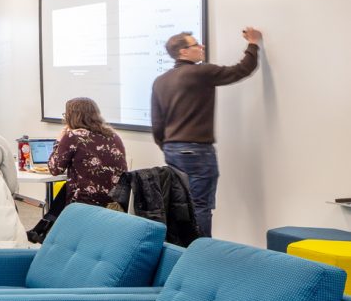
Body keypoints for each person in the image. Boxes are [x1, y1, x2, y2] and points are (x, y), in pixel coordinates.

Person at [151, 28, 262, 238]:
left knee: (179, 203)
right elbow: (241, 70)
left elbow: (157, 123)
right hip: (197, 150)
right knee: (200, 205)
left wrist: (166, 146)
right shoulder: (201, 72)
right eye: (196, 45)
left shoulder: (161, 81)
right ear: (183, 52)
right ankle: (201, 253)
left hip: (172, 149)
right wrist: (253, 44)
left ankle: (181, 249)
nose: (201, 47)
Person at [49, 97, 128, 207]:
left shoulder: (74, 136)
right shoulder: (114, 136)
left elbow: (55, 169)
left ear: (72, 117)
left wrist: (59, 140)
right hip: (114, 204)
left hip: (85, 203)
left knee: (57, 204)